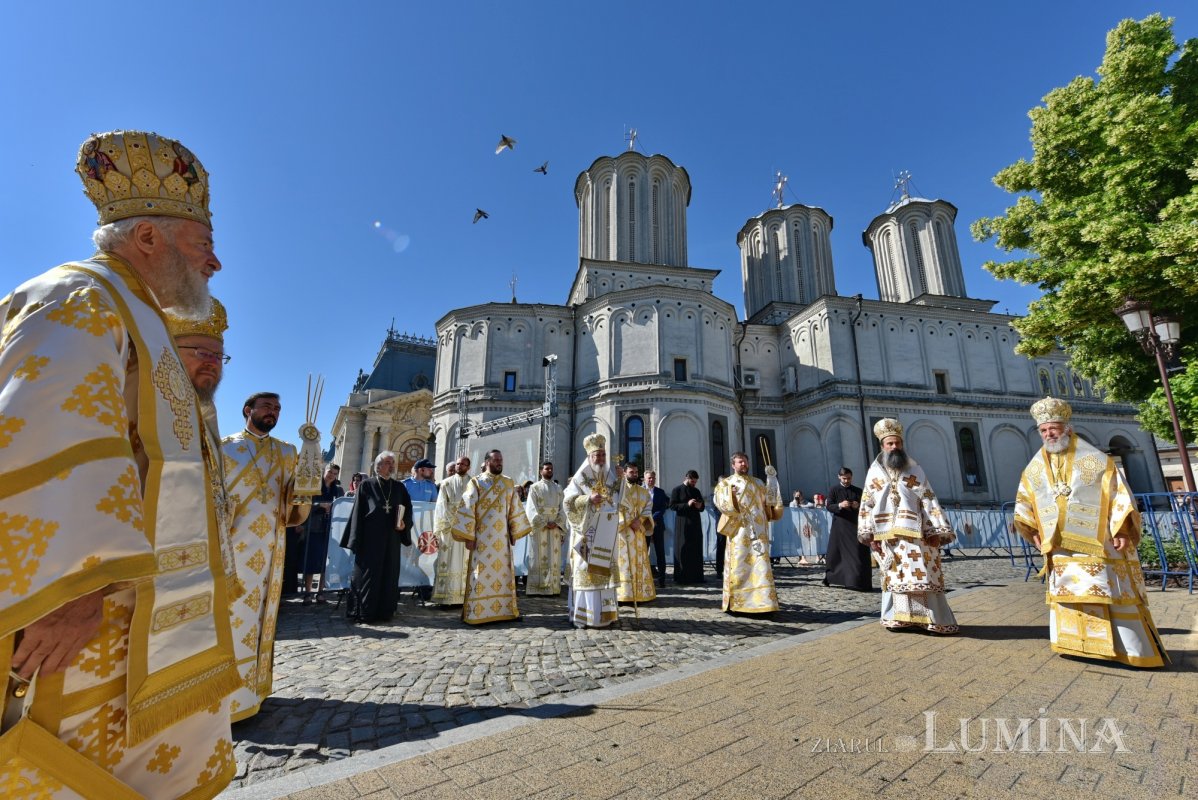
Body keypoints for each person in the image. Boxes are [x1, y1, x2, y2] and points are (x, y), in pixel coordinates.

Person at [0, 129, 239, 797]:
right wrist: (70, 588)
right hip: (86, 623)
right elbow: (48, 432)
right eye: (202, 245)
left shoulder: (136, 317)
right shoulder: (79, 299)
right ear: (147, 240)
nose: (214, 263)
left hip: (137, 623)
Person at [1012, 397, 1167, 667]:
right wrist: (1032, 529)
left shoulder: (1095, 460)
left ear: (1068, 429)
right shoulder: (1035, 467)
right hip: (1059, 544)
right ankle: (1077, 646)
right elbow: (1025, 500)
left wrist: (1121, 528)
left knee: (1109, 591)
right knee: (1070, 593)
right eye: (1044, 430)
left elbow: (1119, 493)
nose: (1050, 434)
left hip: (1099, 542)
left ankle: (1128, 649)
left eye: (1054, 429)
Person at [221, 391, 311, 719]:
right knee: (230, 618)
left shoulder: (287, 452)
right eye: (267, 407)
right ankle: (225, 695)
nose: (273, 412)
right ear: (248, 410)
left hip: (271, 550)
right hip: (232, 548)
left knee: (261, 617)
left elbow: (296, 501)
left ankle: (254, 690)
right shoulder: (224, 447)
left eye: (277, 408)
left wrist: (310, 460)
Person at [167, 297, 241, 602]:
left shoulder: (206, 414)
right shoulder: (138, 400)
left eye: (218, 355)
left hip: (202, 566)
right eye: (200, 352)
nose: (211, 361)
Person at [857, 418, 959, 634]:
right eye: (890, 444)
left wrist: (936, 530)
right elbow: (867, 503)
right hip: (888, 536)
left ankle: (932, 620)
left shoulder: (914, 468)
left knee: (923, 574)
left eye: (898, 443)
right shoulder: (874, 472)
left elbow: (928, 497)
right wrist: (869, 534)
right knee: (895, 577)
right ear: (882, 446)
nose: (894, 447)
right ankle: (899, 618)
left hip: (917, 533)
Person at [454, 450, 531, 624]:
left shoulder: (508, 482)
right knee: (480, 573)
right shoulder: (476, 482)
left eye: (501, 460)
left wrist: (514, 531)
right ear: (487, 461)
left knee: (503, 574)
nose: (499, 463)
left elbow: (514, 508)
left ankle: (504, 610)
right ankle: (478, 613)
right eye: (496, 460)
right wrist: (469, 536)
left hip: (501, 539)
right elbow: (467, 508)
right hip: (481, 538)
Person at [340, 451, 414, 623]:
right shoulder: (366, 485)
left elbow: (407, 510)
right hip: (370, 539)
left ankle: (385, 611)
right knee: (368, 575)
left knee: (389, 573)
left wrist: (404, 524)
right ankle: (365, 612)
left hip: (392, 539)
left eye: (393, 462)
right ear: (378, 465)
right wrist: (355, 539)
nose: (392, 465)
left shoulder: (399, 487)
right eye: (388, 462)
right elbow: (358, 513)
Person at [563, 434, 623, 627]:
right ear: (589, 457)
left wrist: (622, 483)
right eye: (597, 455)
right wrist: (588, 500)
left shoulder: (611, 477)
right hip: (586, 533)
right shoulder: (580, 478)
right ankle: (586, 616)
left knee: (604, 572)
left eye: (603, 455)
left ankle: (606, 616)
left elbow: (620, 501)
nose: (601, 459)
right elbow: (568, 502)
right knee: (587, 572)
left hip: (605, 534)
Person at [713, 454, 781, 613]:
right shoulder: (726, 483)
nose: (743, 464)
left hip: (758, 531)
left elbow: (770, 502)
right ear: (733, 465)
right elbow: (721, 503)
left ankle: (764, 602)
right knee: (739, 565)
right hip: (740, 532)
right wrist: (733, 497)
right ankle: (739, 603)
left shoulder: (758, 482)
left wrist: (772, 480)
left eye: (745, 461)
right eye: (740, 462)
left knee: (761, 565)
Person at [302, 463, 344, 603]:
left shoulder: (338, 490)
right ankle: (308, 592)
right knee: (311, 561)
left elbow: (341, 506)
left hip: (329, 529)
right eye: (329, 472)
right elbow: (305, 504)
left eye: (334, 473)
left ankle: (320, 592)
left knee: (324, 563)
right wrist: (319, 505)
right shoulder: (314, 487)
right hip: (314, 528)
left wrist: (333, 508)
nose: (331, 475)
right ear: (324, 471)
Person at [431, 456, 471, 604]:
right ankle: (446, 598)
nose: (459, 466)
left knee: (465, 562)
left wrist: (466, 524)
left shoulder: (473, 484)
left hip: (467, 529)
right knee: (447, 561)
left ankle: (463, 597)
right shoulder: (446, 483)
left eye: (463, 464)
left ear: (468, 467)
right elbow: (441, 506)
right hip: (449, 529)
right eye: (458, 464)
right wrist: (452, 523)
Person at [822, 467, 871, 590]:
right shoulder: (834, 490)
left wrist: (858, 505)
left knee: (858, 554)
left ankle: (858, 581)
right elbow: (829, 506)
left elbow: (866, 506)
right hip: (840, 526)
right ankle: (836, 578)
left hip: (856, 526)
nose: (846, 481)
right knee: (837, 555)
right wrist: (840, 505)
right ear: (839, 477)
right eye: (844, 478)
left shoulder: (858, 491)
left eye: (849, 478)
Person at [615, 462, 656, 603]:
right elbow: (615, 508)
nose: (634, 474)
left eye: (636, 472)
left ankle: (640, 593)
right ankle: (623, 594)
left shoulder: (643, 491)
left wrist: (641, 520)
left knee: (638, 562)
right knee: (624, 563)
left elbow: (648, 508)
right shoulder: (618, 491)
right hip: (623, 532)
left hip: (638, 532)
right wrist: (629, 521)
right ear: (625, 473)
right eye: (631, 472)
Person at [524, 461, 566, 595]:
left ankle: (553, 587)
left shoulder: (558, 488)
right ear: (541, 471)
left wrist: (557, 522)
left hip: (554, 527)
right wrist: (543, 522)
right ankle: (536, 588)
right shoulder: (534, 488)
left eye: (551, 469)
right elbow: (531, 508)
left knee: (553, 557)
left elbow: (563, 508)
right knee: (538, 555)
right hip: (540, 528)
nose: (549, 471)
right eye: (547, 469)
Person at [670, 470, 707, 584]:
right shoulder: (677, 490)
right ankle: (682, 577)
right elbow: (672, 506)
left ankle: (696, 576)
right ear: (687, 478)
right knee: (683, 549)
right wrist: (687, 504)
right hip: (682, 523)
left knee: (696, 548)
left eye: (695, 482)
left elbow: (702, 507)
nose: (694, 484)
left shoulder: (696, 491)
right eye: (692, 481)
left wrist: (700, 505)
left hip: (695, 523)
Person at [645, 470, 670, 587]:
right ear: (645, 479)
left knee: (660, 552)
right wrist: (646, 520)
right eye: (649, 478)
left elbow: (663, 507)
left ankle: (662, 579)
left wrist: (653, 519)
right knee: (643, 552)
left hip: (657, 524)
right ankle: (644, 578)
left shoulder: (660, 492)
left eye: (653, 478)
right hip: (643, 525)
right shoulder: (639, 491)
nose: (651, 480)